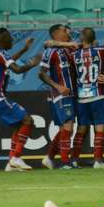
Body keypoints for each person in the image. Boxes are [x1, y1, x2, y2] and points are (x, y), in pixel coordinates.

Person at [0, 28, 40, 171]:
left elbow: (9, 61)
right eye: (9, 38)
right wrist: (32, 64)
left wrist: (24, 49)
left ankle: (11, 163)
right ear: (3, 40)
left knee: (19, 125)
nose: (12, 40)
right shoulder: (1, 54)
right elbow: (17, 69)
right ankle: (16, 157)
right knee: (28, 120)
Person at [71, 27, 104, 169]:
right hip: (98, 94)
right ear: (93, 39)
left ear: (81, 39)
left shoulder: (74, 55)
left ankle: (73, 159)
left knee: (81, 128)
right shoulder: (101, 51)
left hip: (82, 96)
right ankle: (98, 161)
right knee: (100, 128)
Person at [38, 24, 78, 169]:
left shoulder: (69, 49)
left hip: (73, 93)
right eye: (64, 30)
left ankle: (49, 158)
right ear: (55, 34)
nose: (68, 32)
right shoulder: (50, 51)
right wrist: (58, 87)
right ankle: (65, 162)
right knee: (68, 126)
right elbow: (41, 73)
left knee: (66, 129)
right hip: (60, 94)